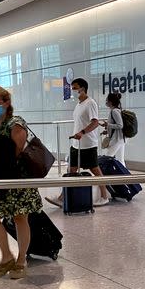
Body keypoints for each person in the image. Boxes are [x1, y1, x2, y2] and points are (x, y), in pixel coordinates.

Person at [0, 86, 43, 280]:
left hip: (16, 178)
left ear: (6, 103)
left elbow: (15, 153)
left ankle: (21, 259)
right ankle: (6, 256)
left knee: (19, 217)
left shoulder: (17, 123)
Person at [47, 78, 110, 207]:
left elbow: (95, 122)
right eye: (72, 88)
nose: (73, 90)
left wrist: (82, 132)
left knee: (95, 170)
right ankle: (62, 197)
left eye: (75, 88)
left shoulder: (90, 103)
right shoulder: (79, 105)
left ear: (83, 88)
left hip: (88, 144)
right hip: (76, 144)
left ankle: (104, 196)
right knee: (72, 170)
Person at [100, 92, 126, 165]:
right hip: (120, 139)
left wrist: (107, 124)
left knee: (107, 158)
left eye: (107, 100)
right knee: (120, 160)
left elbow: (120, 125)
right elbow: (115, 126)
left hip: (116, 139)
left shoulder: (114, 111)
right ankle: (126, 175)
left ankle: (104, 175)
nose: (106, 102)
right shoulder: (116, 110)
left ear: (110, 102)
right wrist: (107, 130)